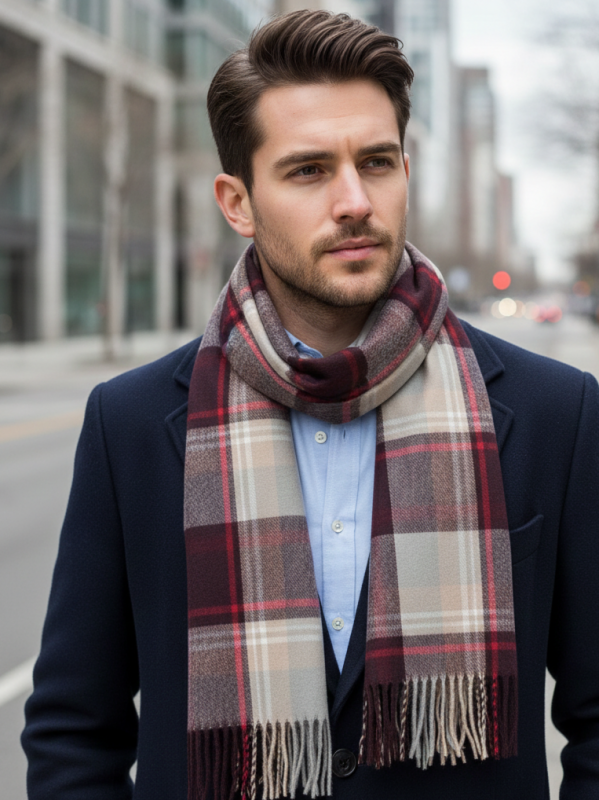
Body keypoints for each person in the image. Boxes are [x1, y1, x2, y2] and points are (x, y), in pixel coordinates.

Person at [22, 10, 599, 800]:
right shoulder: (127, 423)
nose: (354, 200)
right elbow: (72, 730)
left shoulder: (552, 413)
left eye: (376, 161)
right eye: (307, 171)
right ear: (237, 202)